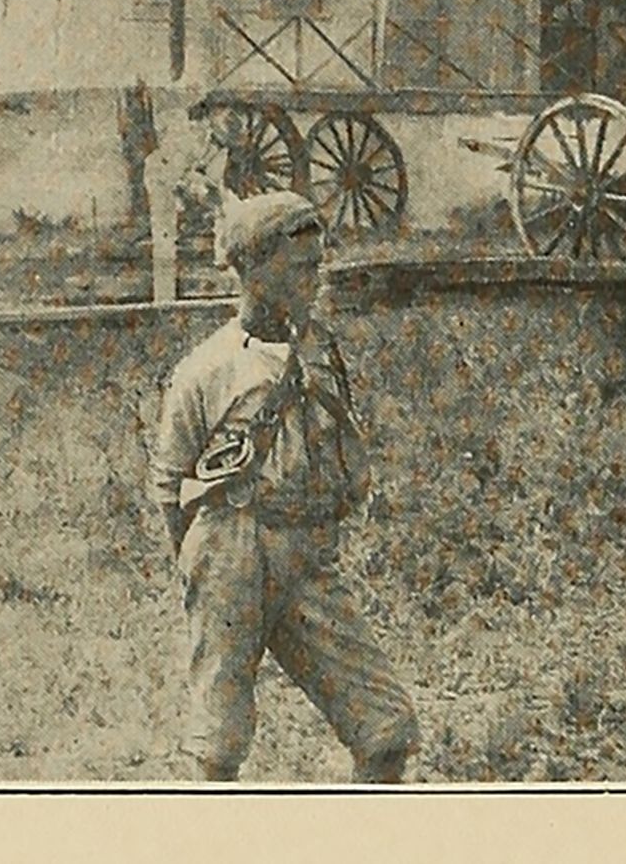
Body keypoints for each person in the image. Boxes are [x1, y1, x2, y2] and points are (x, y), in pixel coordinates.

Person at [149, 191, 419, 782]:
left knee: (386, 729)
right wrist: (206, 570)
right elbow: (170, 486)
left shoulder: (320, 351)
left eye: (317, 265)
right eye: (300, 267)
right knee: (217, 743)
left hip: (306, 555)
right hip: (232, 548)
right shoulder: (206, 369)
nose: (314, 280)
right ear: (252, 269)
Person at [142, 96, 227, 302]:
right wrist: (193, 189)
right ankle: (164, 298)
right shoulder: (183, 137)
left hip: (176, 177)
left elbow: (197, 171)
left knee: (218, 211)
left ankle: (219, 260)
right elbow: (177, 173)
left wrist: (202, 186)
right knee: (164, 239)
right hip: (161, 180)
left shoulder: (204, 138)